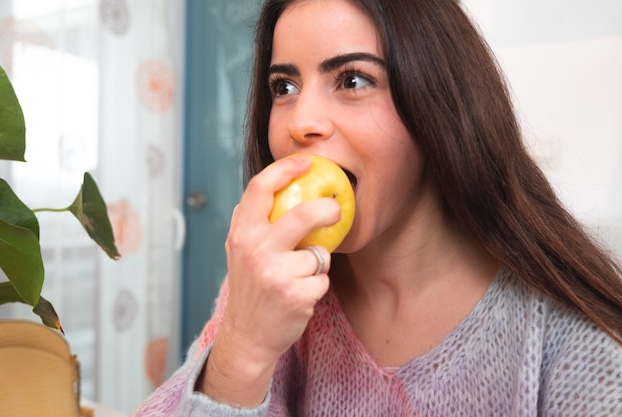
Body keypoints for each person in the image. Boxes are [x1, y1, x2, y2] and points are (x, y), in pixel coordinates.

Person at [135, 0, 622, 415]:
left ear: (438, 106)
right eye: (284, 87)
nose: (301, 122)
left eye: (352, 79)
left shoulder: (576, 345)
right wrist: (241, 350)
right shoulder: (273, 286)